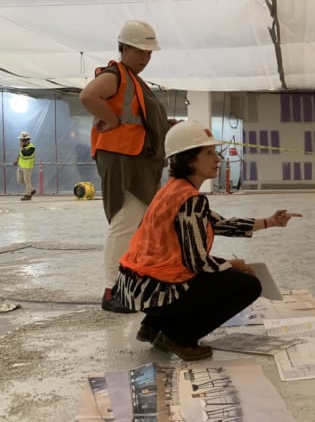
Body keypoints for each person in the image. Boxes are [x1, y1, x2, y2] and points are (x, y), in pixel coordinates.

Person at [111, 120, 302, 361]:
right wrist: (230, 266)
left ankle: (153, 326)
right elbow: (196, 262)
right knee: (247, 285)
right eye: (209, 153)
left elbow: (217, 223)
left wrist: (269, 221)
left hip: (137, 286)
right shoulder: (190, 199)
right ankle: (178, 337)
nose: (217, 159)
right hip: (155, 290)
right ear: (189, 159)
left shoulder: (173, 190)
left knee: (213, 277)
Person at [80, 20, 173, 313]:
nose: (145, 58)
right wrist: (112, 120)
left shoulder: (135, 80)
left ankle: (129, 284)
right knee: (124, 224)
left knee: (135, 225)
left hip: (138, 160)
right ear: (124, 48)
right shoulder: (116, 75)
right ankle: (113, 291)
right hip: (124, 161)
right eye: (140, 51)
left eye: (149, 53)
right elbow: (88, 96)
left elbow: (140, 118)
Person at [13, 131, 36, 201]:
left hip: (28, 167)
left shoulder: (32, 147)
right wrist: (16, 160)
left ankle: (28, 195)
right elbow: (20, 154)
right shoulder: (23, 147)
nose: (21, 141)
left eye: (22, 140)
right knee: (20, 180)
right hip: (21, 166)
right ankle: (31, 190)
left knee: (27, 180)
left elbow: (26, 154)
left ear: (27, 140)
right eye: (21, 140)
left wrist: (21, 147)